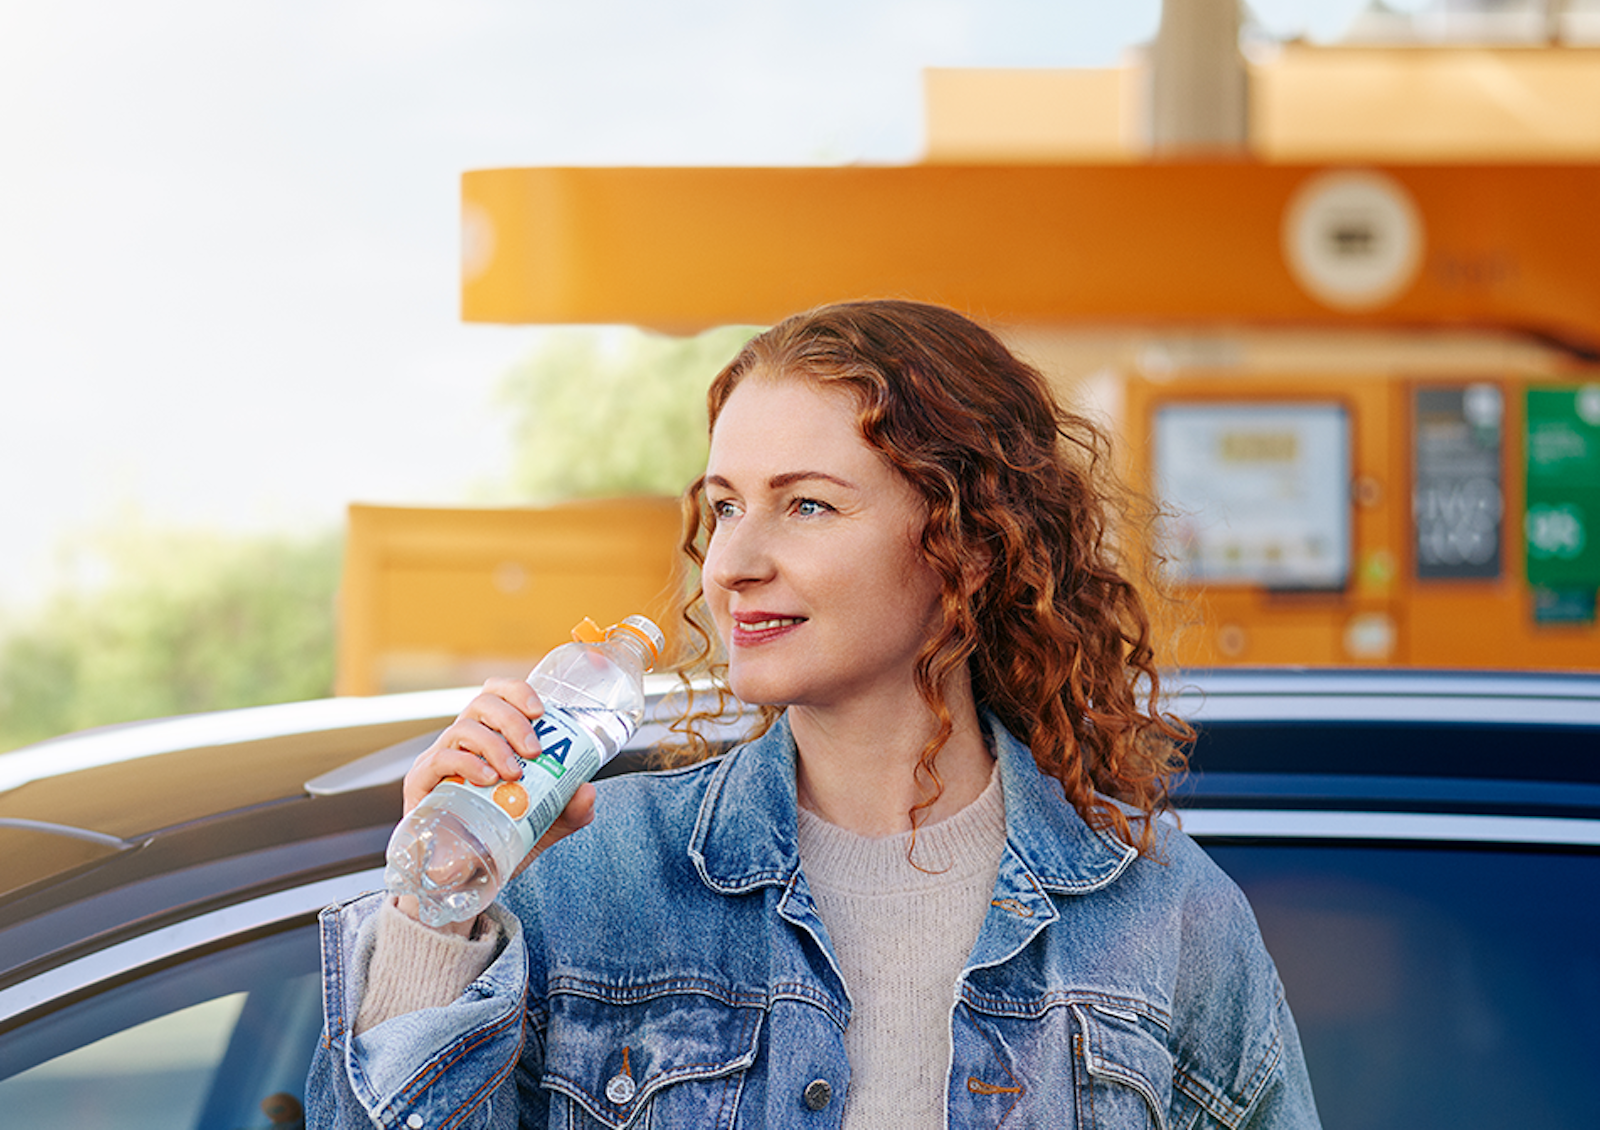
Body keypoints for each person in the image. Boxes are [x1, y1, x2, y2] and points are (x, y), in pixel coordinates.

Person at [308, 299, 1321, 1129]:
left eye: (805, 505)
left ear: (969, 542)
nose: (735, 564)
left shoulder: (1161, 920)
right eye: (725, 507)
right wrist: (434, 908)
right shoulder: (587, 874)